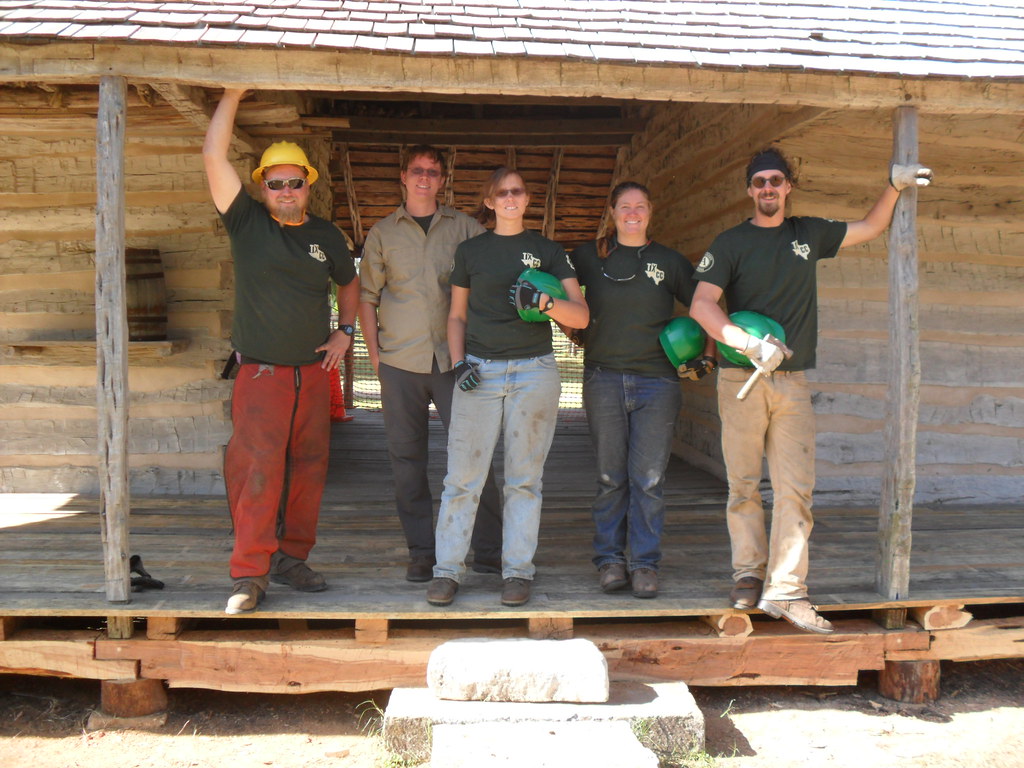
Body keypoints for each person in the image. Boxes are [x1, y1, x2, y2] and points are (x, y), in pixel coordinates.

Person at [690, 147, 931, 634]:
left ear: (788, 187)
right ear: (750, 190)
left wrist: (894, 185)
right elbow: (702, 304)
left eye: (775, 180)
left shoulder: (809, 234)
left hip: (792, 383)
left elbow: (870, 227)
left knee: (795, 489)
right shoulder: (731, 242)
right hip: (740, 379)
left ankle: (787, 589)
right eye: (760, 182)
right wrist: (747, 343)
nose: (768, 188)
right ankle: (748, 574)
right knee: (742, 485)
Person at [203, 88, 359, 615]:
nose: (286, 190)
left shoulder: (326, 235)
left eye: (295, 182)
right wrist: (232, 93)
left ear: (307, 186)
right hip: (262, 374)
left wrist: (345, 331)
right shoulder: (245, 222)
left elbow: (350, 283)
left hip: (313, 372)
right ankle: (250, 575)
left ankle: (293, 559)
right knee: (257, 470)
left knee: (310, 468)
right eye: (276, 183)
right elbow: (212, 155)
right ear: (262, 187)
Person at [425, 167, 589, 608]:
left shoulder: (548, 251)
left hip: (535, 372)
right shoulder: (471, 251)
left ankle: (517, 571)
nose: (510, 198)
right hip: (478, 370)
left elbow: (581, 315)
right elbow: (457, 315)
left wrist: (546, 303)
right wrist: (458, 362)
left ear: (527, 198)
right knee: (463, 478)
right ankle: (447, 571)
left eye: (517, 191)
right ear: (490, 202)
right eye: (501, 193)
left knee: (524, 479)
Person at [358, 145, 503, 583]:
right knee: (407, 460)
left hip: (455, 363)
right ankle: (422, 552)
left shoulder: (465, 228)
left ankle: (489, 551)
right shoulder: (383, 233)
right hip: (400, 362)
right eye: (417, 170)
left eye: (433, 172)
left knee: (475, 454)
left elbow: (488, 281)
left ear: (443, 179)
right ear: (403, 176)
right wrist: (376, 356)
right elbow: (367, 297)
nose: (425, 177)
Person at [570, 181, 716, 599]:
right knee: (609, 477)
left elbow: (704, 305)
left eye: (640, 206)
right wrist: (571, 328)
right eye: (624, 206)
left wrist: (708, 355)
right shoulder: (588, 257)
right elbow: (558, 292)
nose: (632, 213)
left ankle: (645, 564)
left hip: (658, 383)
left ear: (650, 212)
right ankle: (610, 561)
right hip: (603, 379)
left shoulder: (669, 262)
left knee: (649, 479)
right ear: (612, 212)